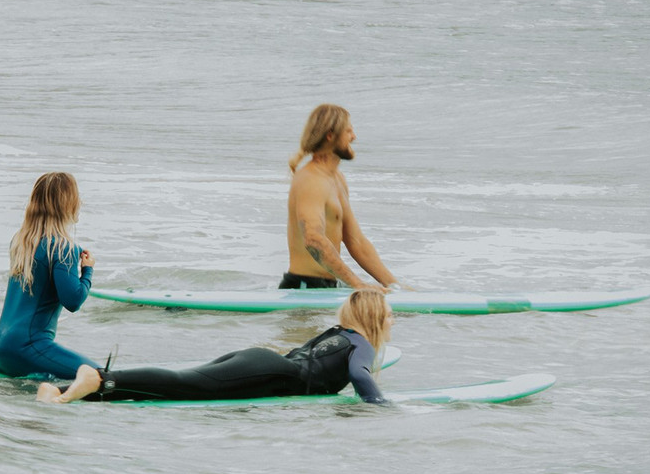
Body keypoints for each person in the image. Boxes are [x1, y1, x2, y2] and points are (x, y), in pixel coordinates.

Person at [37, 289, 392, 404]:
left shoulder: (339, 332)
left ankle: (62, 391)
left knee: (182, 380)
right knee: (182, 385)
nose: (391, 322)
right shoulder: (360, 344)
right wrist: (381, 407)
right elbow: (359, 374)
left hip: (261, 362)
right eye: (389, 316)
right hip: (270, 371)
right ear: (374, 319)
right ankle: (100, 380)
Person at [0, 172, 101, 379]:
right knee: (99, 376)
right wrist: (87, 271)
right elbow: (73, 301)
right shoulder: (63, 247)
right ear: (69, 204)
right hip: (25, 348)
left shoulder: (21, 241)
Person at [281, 104, 405, 291]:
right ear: (330, 135)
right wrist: (358, 284)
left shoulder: (337, 179)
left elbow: (357, 243)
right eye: (348, 131)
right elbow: (313, 240)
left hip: (327, 287)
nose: (354, 137)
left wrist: (396, 286)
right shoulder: (311, 180)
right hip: (302, 288)